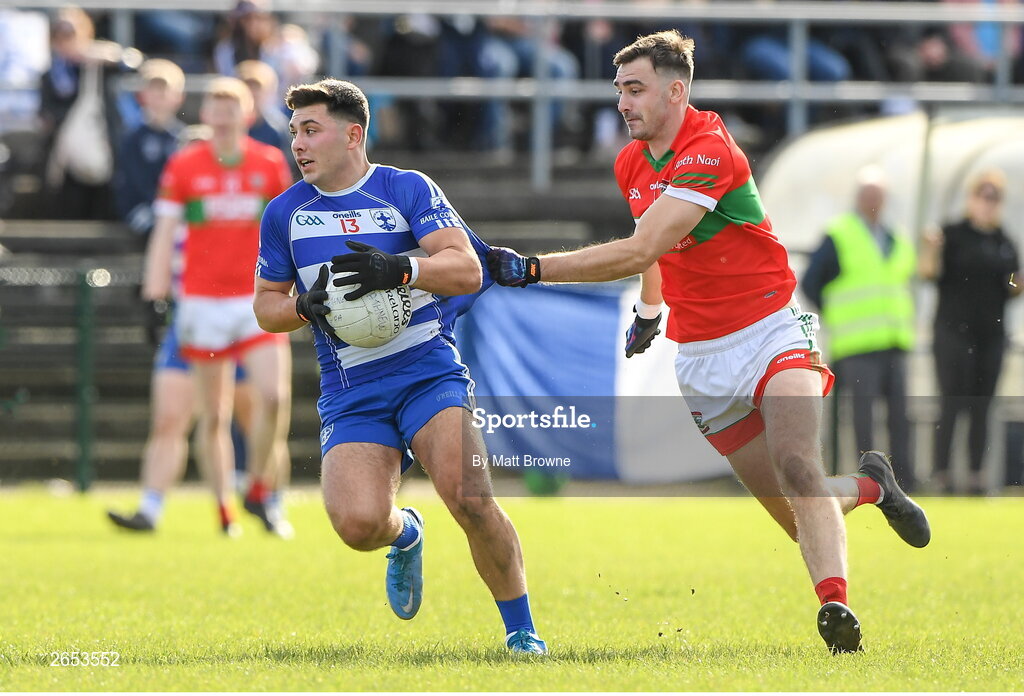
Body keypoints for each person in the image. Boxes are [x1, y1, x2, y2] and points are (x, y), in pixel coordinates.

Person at [486, 30, 931, 654]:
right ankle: (871, 488)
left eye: (635, 90)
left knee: (797, 463)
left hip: (774, 325)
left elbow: (641, 245)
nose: (623, 104)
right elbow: (655, 246)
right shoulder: (630, 161)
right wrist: (650, 308)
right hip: (700, 355)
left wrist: (532, 269)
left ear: (677, 91)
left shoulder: (709, 150)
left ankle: (836, 611)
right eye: (619, 91)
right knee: (792, 511)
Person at [252, 78, 547, 654]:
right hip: (352, 388)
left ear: (353, 134)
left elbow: (466, 269)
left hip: (426, 372)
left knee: (470, 497)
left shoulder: (404, 189)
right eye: (294, 133)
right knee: (358, 526)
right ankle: (406, 531)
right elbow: (266, 308)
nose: (299, 144)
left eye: (311, 130)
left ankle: (522, 634)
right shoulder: (284, 212)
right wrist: (299, 307)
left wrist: (403, 270)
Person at [139, 77, 294, 535]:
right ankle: (225, 511)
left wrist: (294, 290)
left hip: (254, 300)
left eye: (233, 106)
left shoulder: (268, 163)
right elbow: (164, 233)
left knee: (274, 396)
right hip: (202, 303)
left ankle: (261, 491)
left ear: (249, 113)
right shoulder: (185, 165)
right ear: (203, 113)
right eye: (216, 105)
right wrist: (154, 295)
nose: (223, 114)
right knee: (214, 414)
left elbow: (286, 234)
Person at [802, 167, 917, 491]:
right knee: (863, 418)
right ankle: (870, 479)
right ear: (858, 198)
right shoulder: (840, 233)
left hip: (895, 340)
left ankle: (904, 480)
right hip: (856, 345)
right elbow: (812, 282)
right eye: (868, 195)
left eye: (878, 195)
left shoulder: (897, 237)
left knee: (900, 416)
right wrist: (835, 314)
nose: (873, 201)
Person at [920, 169, 1021, 494]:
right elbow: (929, 273)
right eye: (983, 195)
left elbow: (1009, 284)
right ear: (971, 197)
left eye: (994, 197)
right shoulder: (952, 235)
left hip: (990, 336)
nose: (988, 204)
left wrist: (1017, 282)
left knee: (982, 404)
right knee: (952, 402)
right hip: (952, 333)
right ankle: (943, 474)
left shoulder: (1003, 242)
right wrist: (931, 249)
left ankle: (977, 475)